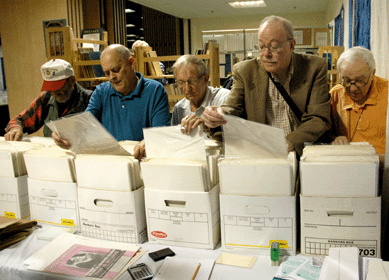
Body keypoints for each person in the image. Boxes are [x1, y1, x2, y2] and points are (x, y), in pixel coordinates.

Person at [202, 15, 331, 156]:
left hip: (303, 152)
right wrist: (219, 114)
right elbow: (232, 107)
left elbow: (318, 117)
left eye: (274, 47)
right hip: (263, 154)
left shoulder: (314, 67)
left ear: (292, 45)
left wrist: (290, 142)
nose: (266, 54)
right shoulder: (245, 71)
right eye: (261, 46)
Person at [53, 44, 171, 160]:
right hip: (110, 163)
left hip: (142, 161)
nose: (111, 77)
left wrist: (147, 142)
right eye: (107, 73)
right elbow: (85, 123)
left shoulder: (155, 91)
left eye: (115, 70)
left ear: (131, 63)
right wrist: (63, 134)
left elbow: (160, 133)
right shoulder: (101, 92)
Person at [4, 59, 92, 140]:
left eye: (59, 87)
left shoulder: (90, 100)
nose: (54, 92)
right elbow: (20, 120)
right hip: (53, 154)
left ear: (72, 80)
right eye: (51, 88)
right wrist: (15, 128)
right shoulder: (46, 98)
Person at [330, 46, 388, 155]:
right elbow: (324, 130)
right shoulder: (336, 95)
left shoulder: (387, 93)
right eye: (346, 80)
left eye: (360, 81)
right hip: (346, 163)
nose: (353, 88)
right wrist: (335, 138)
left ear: (373, 73)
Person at [171, 55, 230, 135]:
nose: (187, 88)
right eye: (181, 82)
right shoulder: (179, 109)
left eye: (192, 81)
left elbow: (236, 137)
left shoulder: (224, 99)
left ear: (206, 78)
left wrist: (206, 126)